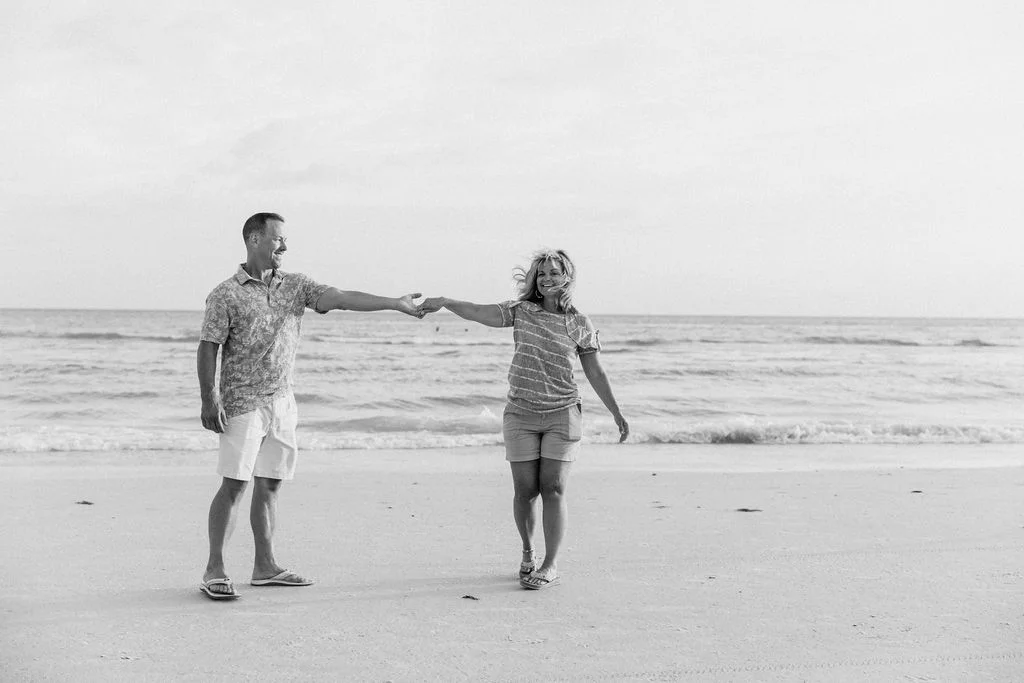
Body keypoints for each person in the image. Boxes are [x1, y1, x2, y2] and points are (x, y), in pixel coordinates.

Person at [197, 212, 424, 600]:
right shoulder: (225, 294)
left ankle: (265, 567)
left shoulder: (295, 286)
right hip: (242, 403)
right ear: (254, 239)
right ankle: (214, 569)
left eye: (284, 240)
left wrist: (394, 303)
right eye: (277, 239)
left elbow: (341, 298)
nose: (284, 246)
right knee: (234, 484)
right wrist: (209, 398)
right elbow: (208, 347)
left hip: (283, 401)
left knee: (270, 484)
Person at [419, 249, 628, 590]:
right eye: (541, 273)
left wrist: (616, 411)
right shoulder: (521, 311)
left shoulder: (579, 323)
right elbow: (478, 312)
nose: (547, 278)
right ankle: (528, 553)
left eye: (554, 272)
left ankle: (550, 564)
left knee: (554, 488)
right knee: (525, 491)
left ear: (567, 277)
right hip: (520, 412)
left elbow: (595, 371)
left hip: (563, 412)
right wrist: (445, 302)